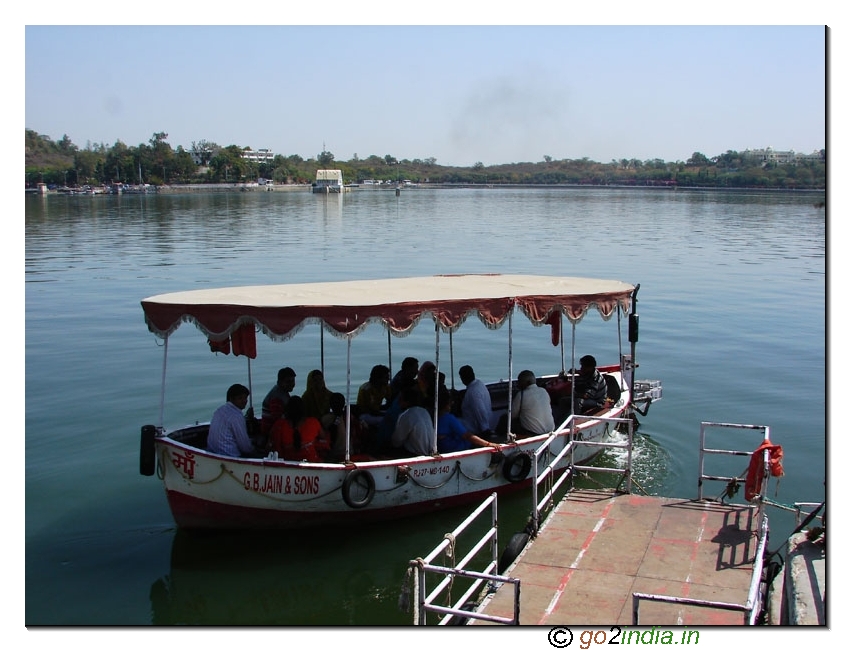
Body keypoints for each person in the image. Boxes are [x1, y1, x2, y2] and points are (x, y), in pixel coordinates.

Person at [436, 388, 500, 453]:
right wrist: (488, 444)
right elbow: (467, 436)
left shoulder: (435, 417)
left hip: (443, 448)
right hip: (457, 448)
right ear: (447, 404)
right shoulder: (449, 418)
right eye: (450, 402)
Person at [268, 395, 330, 462]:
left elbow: (270, 446)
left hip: (287, 465)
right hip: (312, 462)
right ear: (304, 409)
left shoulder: (279, 425)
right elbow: (323, 437)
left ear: (287, 410)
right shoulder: (313, 422)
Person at [207, 383, 261, 457]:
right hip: (229, 455)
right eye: (240, 398)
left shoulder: (220, 410)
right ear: (231, 399)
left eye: (245, 398)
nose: (244, 401)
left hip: (213, 451)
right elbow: (245, 447)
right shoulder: (236, 416)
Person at [509, 370, 555, 438]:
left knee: (505, 419)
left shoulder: (521, 395)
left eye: (520, 382)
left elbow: (512, 415)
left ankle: (498, 438)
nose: (518, 384)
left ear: (527, 382)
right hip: (551, 430)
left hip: (534, 433)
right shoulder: (544, 391)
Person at [390, 387, 434, 457]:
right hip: (430, 451)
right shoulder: (424, 412)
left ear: (407, 402)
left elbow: (397, 441)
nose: (398, 402)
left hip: (416, 454)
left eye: (400, 399)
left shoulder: (407, 415)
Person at [458, 365, 493, 437]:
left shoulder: (473, 393)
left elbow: (480, 411)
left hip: (474, 428)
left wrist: (484, 430)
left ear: (462, 378)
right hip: (484, 422)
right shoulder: (479, 384)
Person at [260, 367, 296, 435]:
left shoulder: (282, 391)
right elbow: (278, 420)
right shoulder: (276, 397)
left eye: (293, 381)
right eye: (288, 381)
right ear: (280, 382)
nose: (291, 384)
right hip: (272, 432)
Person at [356, 364, 392, 428]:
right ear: (378, 378)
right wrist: (386, 414)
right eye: (386, 377)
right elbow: (371, 410)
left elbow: (390, 401)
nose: (388, 379)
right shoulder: (366, 389)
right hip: (365, 414)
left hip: (377, 411)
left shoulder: (386, 387)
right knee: (386, 420)